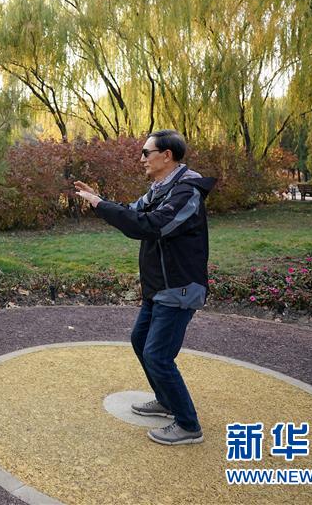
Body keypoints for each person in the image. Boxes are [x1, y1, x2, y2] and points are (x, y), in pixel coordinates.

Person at [74, 130, 216, 446]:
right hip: (159, 287)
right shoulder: (159, 190)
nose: (141, 159)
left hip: (179, 287)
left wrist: (99, 204)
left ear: (167, 155)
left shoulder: (186, 194)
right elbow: (133, 211)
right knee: (140, 341)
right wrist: (101, 202)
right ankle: (166, 401)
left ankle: (188, 425)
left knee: (158, 355)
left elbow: (149, 226)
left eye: (145, 152)